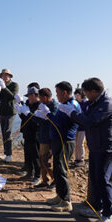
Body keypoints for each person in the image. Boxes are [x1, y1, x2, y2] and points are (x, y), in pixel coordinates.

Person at [60, 78, 112, 222]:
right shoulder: (95, 103)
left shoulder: (106, 104)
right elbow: (85, 118)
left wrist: (72, 113)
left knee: (103, 180)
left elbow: (90, 121)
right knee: (95, 178)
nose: (85, 95)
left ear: (94, 91)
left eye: (86, 92)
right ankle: (97, 208)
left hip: (107, 149)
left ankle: (109, 213)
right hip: (95, 148)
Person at [35, 81, 80, 212]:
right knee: (58, 169)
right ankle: (60, 196)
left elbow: (59, 123)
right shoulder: (65, 104)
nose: (57, 95)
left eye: (57, 93)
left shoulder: (71, 105)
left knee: (61, 170)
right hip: (58, 141)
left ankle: (66, 201)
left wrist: (47, 114)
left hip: (65, 141)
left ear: (64, 93)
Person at [33, 88, 59, 189]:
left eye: (40, 97)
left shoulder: (54, 106)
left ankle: (55, 180)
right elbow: (38, 120)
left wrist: (43, 116)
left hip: (49, 137)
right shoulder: (43, 105)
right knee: (42, 160)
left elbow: (50, 122)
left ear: (45, 97)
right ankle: (44, 180)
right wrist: (32, 115)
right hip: (42, 136)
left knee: (47, 161)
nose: (39, 100)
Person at [15, 85, 41, 185]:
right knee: (28, 155)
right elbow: (24, 118)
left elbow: (36, 121)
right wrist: (19, 111)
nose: (28, 98)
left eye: (29, 96)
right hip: (27, 133)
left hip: (35, 134)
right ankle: (29, 173)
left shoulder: (39, 105)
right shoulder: (29, 104)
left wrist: (27, 113)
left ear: (34, 95)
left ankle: (37, 175)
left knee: (36, 156)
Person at [0, 69, 19, 162]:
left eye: (6, 75)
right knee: (4, 133)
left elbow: (13, 96)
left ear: (10, 76)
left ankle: (9, 154)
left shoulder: (14, 85)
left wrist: (4, 88)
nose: (4, 77)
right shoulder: (2, 85)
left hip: (10, 112)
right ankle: (5, 153)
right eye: (3, 76)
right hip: (2, 112)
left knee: (8, 132)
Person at [73, 88, 88, 167]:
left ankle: (81, 159)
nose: (76, 96)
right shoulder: (75, 103)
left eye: (78, 94)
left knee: (80, 143)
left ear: (81, 95)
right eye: (75, 94)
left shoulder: (85, 103)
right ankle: (77, 158)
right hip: (76, 126)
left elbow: (85, 114)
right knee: (76, 144)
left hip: (83, 127)